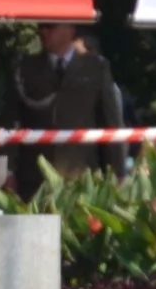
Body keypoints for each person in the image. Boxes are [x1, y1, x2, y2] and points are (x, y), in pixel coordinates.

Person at [9, 21, 126, 196]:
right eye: (41, 26)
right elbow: (11, 120)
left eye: (51, 26)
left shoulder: (96, 68)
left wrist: (117, 173)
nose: (43, 31)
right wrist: (8, 170)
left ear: (70, 28)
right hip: (35, 181)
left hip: (82, 179)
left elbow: (110, 123)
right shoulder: (24, 69)